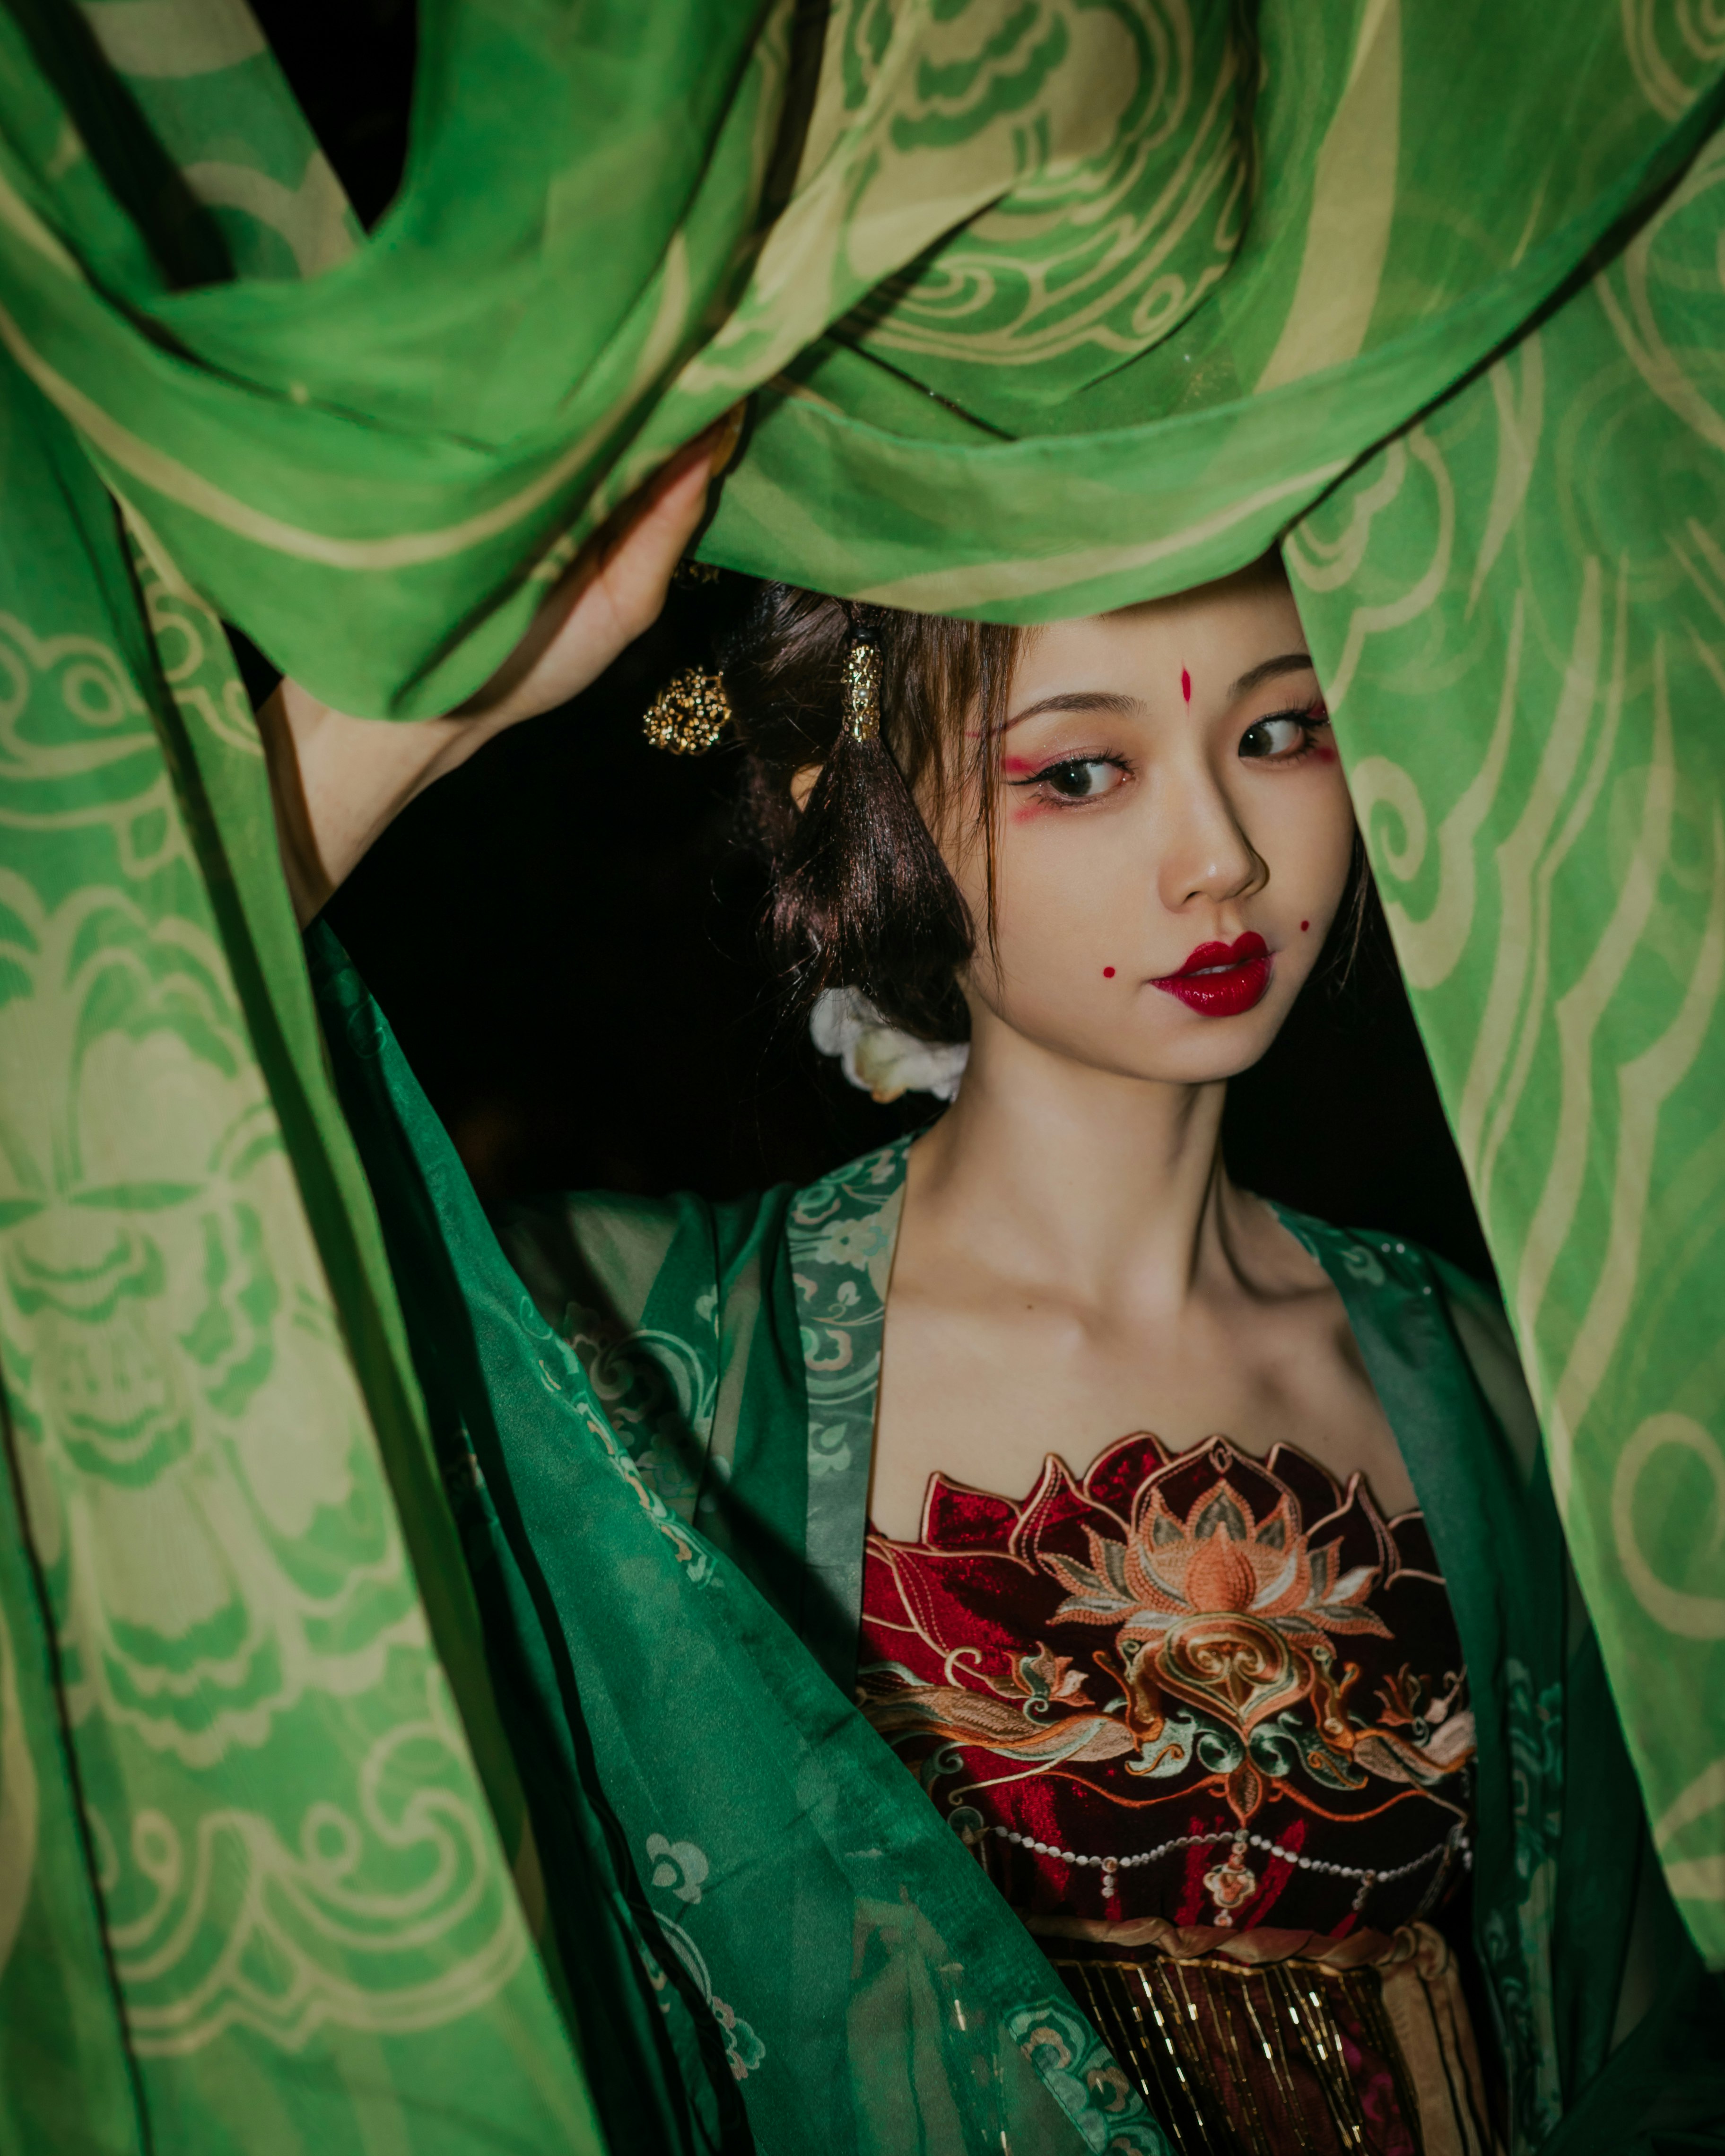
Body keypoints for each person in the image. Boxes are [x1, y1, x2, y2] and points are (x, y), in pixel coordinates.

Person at [262, 437, 1706, 2156]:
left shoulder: (1497, 1374)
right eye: (1083, 769)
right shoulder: (642, 1355)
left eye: (1281, 729)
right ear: (860, 792)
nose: (1221, 858)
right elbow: (104, 1164)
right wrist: (408, 715)